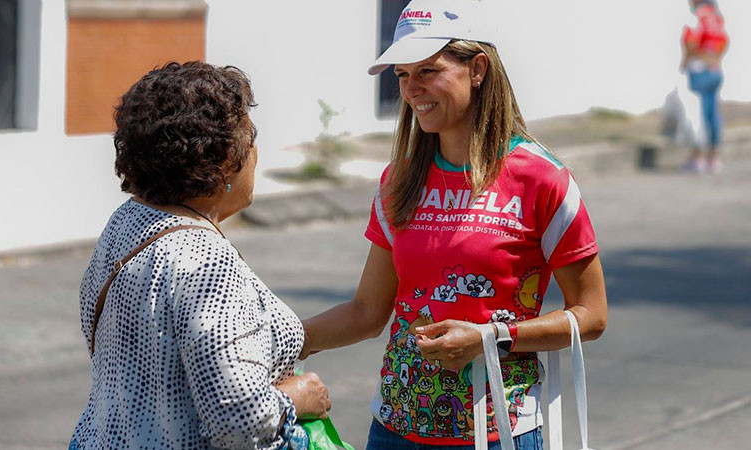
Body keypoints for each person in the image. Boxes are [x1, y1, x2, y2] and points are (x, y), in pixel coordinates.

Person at [299, 1, 607, 449]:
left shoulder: (542, 177)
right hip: (395, 429)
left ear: (477, 68)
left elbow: (592, 316)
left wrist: (491, 337)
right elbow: (367, 311)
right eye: (402, 75)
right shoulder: (398, 180)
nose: (412, 89)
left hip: (500, 429)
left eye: (428, 70)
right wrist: (284, 340)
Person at [69, 61, 329, 450]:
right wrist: (300, 395)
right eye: (250, 136)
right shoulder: (207, 261)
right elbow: (241, 421)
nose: (256, 150)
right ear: (226, 158)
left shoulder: (127, 222)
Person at [680, 0, 729, 173]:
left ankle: (698, 157)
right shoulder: (716, 16)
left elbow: (691, 41)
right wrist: (715, 58)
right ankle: (713, 158)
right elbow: (724, 41)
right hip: (715, 71)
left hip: (699, 70)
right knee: (712, 114)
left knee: (697, 115)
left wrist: (685, 61)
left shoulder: (696, 16)